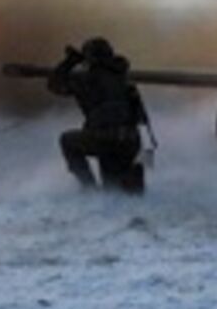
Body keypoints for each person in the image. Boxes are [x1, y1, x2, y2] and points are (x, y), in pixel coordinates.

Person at [47, 37, 151, 193]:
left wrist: (70, 61)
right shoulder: (125, 79)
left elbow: (55, 85)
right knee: (121, 191)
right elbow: (141, 117)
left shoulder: (88, 78)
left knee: (67, 141)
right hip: (130, 141)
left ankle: (89, 190)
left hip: (104, 138)